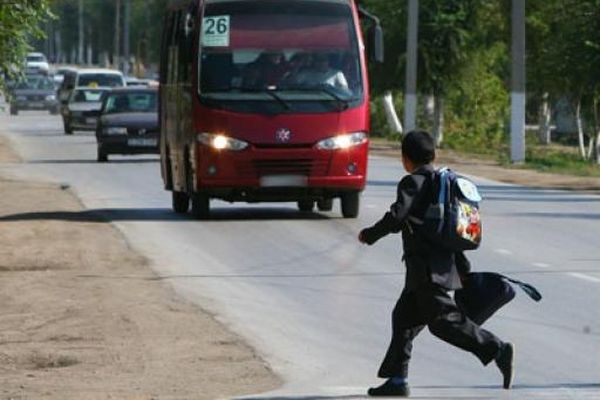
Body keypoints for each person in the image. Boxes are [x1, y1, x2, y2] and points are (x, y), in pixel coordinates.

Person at [359, 130, 514, 397]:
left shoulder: (412, 183)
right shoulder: (440, 184)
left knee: (444, 322)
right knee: (404, 319)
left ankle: (496, 348)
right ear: (434, 155)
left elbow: (397, 217)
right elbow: (448, 232)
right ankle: (397, 380)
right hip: (435, 269)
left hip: (426, 273)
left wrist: (370, 234)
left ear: (406, 159)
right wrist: (463, 269)